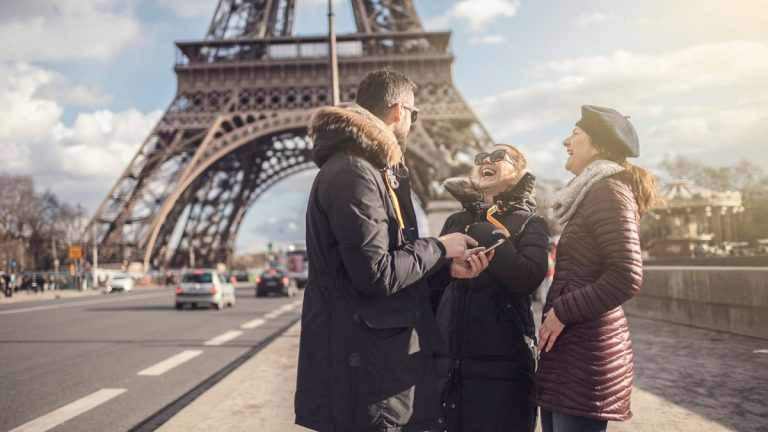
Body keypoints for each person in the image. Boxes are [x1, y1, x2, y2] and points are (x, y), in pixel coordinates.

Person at [295, 70, 493, 432]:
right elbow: (377, 274)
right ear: (400, 110)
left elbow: (384, 269)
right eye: (415, 115)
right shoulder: (354, 172)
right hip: (370, 370)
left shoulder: (369, 170)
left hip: (377, 362)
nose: (414, 124)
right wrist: (439, 247)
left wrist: (445, 271)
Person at [533, 105, 657, 432]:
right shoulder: (590, 193)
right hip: (572, 352)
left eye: (575, 134)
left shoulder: (607, 191)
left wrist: (561, 312)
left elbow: (626, 275)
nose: (565, 142)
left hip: (585, 356)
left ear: (599, 145)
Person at [435, 144, 549, 431]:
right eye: (481, 158)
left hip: (502, 367)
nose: (487, 160)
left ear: (518, 169)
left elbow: (528, 278)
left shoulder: (531, 222)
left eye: (498, 156)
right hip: (446, 364)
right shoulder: (455, 221)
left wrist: (489, 230)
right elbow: (435, 282)